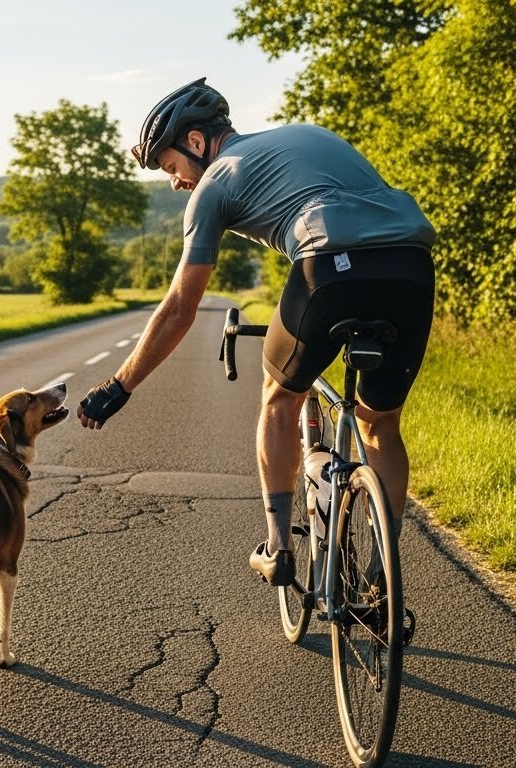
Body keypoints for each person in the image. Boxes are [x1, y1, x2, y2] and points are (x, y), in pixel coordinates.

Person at [76, 77, 435, 588]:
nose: (177, 183)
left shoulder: (215, 182)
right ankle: (383, 574)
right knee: (381, 423)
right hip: (412, 266)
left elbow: (180, 308)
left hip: (328, 264)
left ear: (196, 142)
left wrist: (119, 387)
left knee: (277, 398)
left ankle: (278, 547)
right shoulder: (313, 134)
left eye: (173, 168)